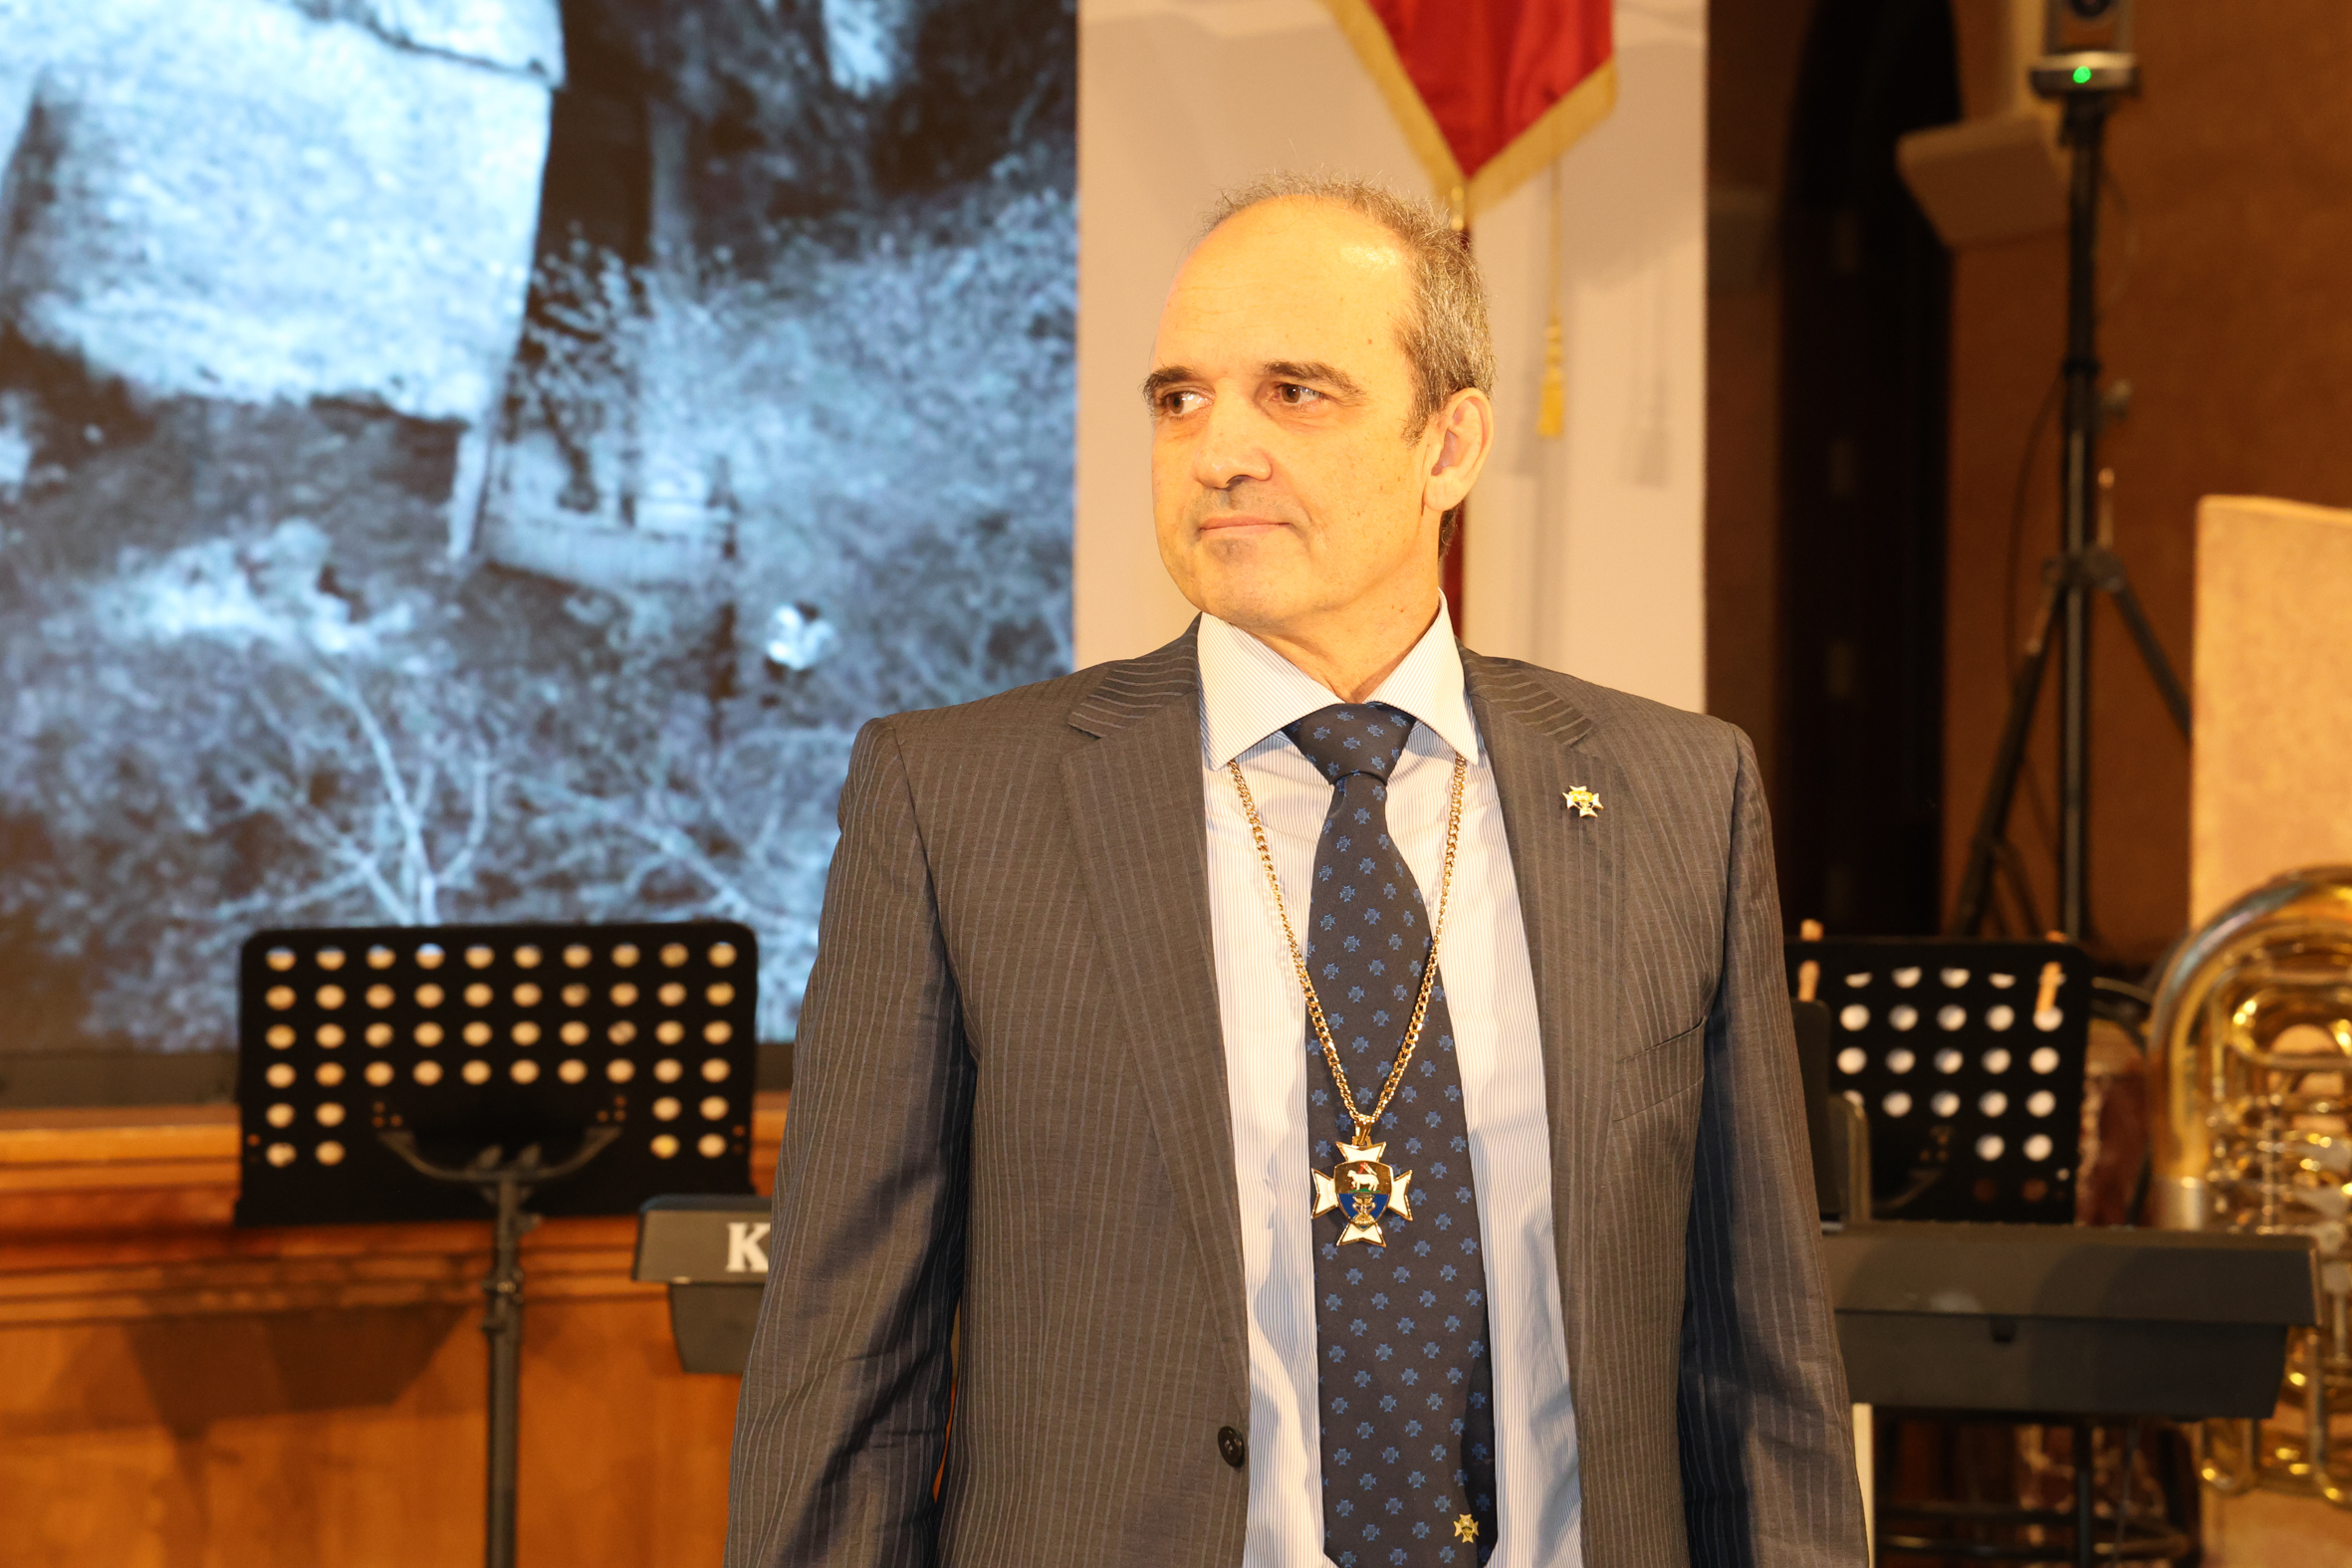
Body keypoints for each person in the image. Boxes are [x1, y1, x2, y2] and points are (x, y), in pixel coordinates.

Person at [727, 174, 1864, 1568]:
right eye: (1180, 399)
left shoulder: (1677, 795)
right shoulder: (958, 801)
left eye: (1294, 393)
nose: (1219, 451)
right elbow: (845, 1370)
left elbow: (1762, 1372)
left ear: (1450, 443)